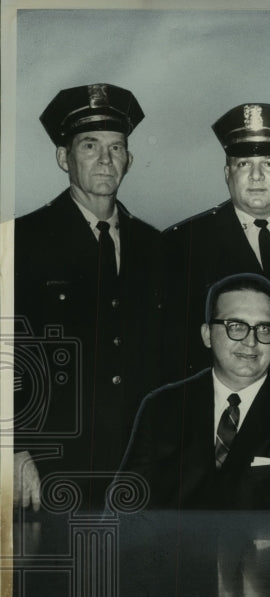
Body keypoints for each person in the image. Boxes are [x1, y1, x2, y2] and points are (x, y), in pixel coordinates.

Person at [14, 82, 167, 510]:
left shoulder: (156, 246)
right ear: (64, 157)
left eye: (116, 148)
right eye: (89, 145)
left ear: (129, 160)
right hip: (52, 462)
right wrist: (15, 447)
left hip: (141, 461)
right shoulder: (20, 240)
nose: (105, 159)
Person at [162, 103, 270, 395]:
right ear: (227, 173)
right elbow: (171, 351)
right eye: (244, 164)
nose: (256, 176)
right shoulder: (183, 244)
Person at [118, 273, 270, 510]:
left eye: (265, 329)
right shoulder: (162, 406)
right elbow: (127, 506)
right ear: (207, 334)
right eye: (236, 326)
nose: (251, 341)